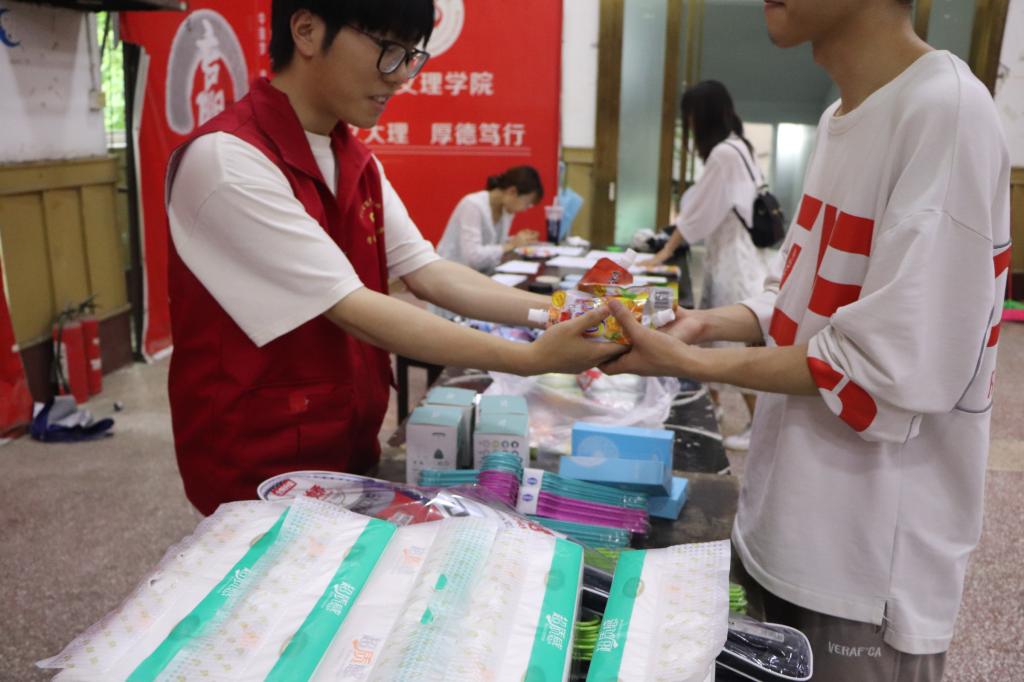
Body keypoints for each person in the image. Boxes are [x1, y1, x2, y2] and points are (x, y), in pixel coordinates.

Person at [602, 0, 1010, 679]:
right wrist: (706, 324)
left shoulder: (946, 113)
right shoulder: (843, 114)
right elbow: (801, 298)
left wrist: (689, 359)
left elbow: (885, 363)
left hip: (861, 568)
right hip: (783, 522)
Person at [165, 0, 623, 516]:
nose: (402, 74)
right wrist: (532, 358)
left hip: (343, 440)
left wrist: (563, 311)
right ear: (307, 30)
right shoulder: (229, 159)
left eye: (411, 55)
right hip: (259, 462)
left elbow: (430, 272)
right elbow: (353, 306)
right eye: (388, 49)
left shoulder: (354, 159)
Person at [644, 81, 771, 450]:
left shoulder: (724, 155)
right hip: (735, 255)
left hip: (732, 260)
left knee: (733, 346)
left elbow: (698, 213)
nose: (688, 126)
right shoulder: (740, 147)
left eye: (690, 118)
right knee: (716, 341)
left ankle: (757, 428)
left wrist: (664, 252)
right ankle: (715, 409)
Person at [437, 166, 543, 273]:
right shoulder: (473, 205)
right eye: (526, 203)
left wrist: (517, 240)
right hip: (450, 274)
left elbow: (493, 244)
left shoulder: (506, 210)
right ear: (512, 191)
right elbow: (473, 257)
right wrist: (512, 244)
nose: (524, 209)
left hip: (479, 274)